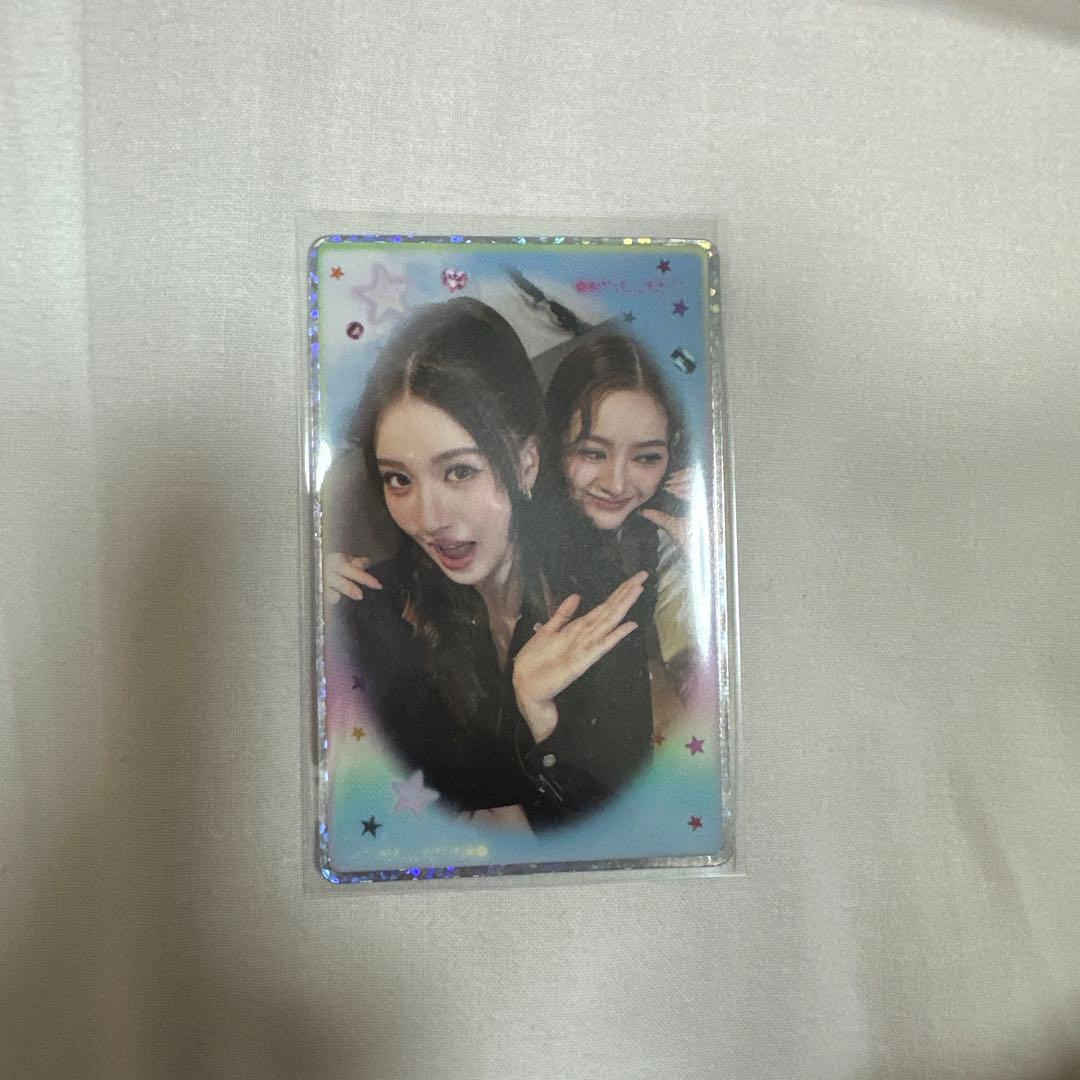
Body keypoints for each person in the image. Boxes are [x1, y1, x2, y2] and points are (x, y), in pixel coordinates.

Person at [326, 298, 653, 830]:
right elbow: (396, 814)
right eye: (399, 480)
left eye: (459, 472)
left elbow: (627, 826)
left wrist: (541, 718)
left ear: (526, 462)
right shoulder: (374, 611)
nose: (429, 519)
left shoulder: (602, 602)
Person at [544, 332, 704, 707]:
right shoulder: (513, 545)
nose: (616, 484)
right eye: (592, 453)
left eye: (646, 457)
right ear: (555, 443)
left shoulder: (662, 524)